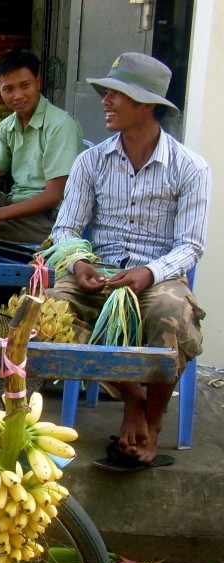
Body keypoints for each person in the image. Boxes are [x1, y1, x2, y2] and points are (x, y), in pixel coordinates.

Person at [48, 52, 209, 469]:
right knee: (48, 311)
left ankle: (151, 427)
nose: (105, 102)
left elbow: (190, 245)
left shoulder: (190, 168)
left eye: (117, 94)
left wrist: (149, 272)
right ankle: (134, 401)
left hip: (158, 276)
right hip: (99, 274)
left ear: (147, 105)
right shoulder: (90, 162)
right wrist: (80, 263)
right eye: (106, 93)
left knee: (170, 312)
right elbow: (65, 230)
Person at [0, 49, 84, 244]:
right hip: (13, 207)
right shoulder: (7, 126)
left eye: (25, 85)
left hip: (48, 220)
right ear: (0, 89)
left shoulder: (61, 125)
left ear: (38, 81)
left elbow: (53, 196)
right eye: (8, 89)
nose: (18, 95)